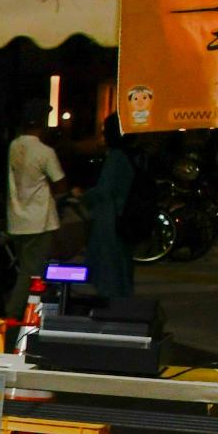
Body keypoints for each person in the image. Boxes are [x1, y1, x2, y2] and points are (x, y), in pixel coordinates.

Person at [5, 101, 68, 317]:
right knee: (32, 274)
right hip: (39, 221)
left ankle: (30, 313)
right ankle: (13, 315)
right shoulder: (45, 151)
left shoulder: (14, 146)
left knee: (26, 269)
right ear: (41, 124)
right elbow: (60, 183)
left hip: (17, 219)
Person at [83, 116, 137, 300]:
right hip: (125, 217)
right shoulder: (133, 154)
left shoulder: (116, 157)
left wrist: (84, 196)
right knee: (122, 263)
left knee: (109, 262)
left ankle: (113, 302)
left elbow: (104, 191)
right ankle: (121, 299)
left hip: (110, 218)